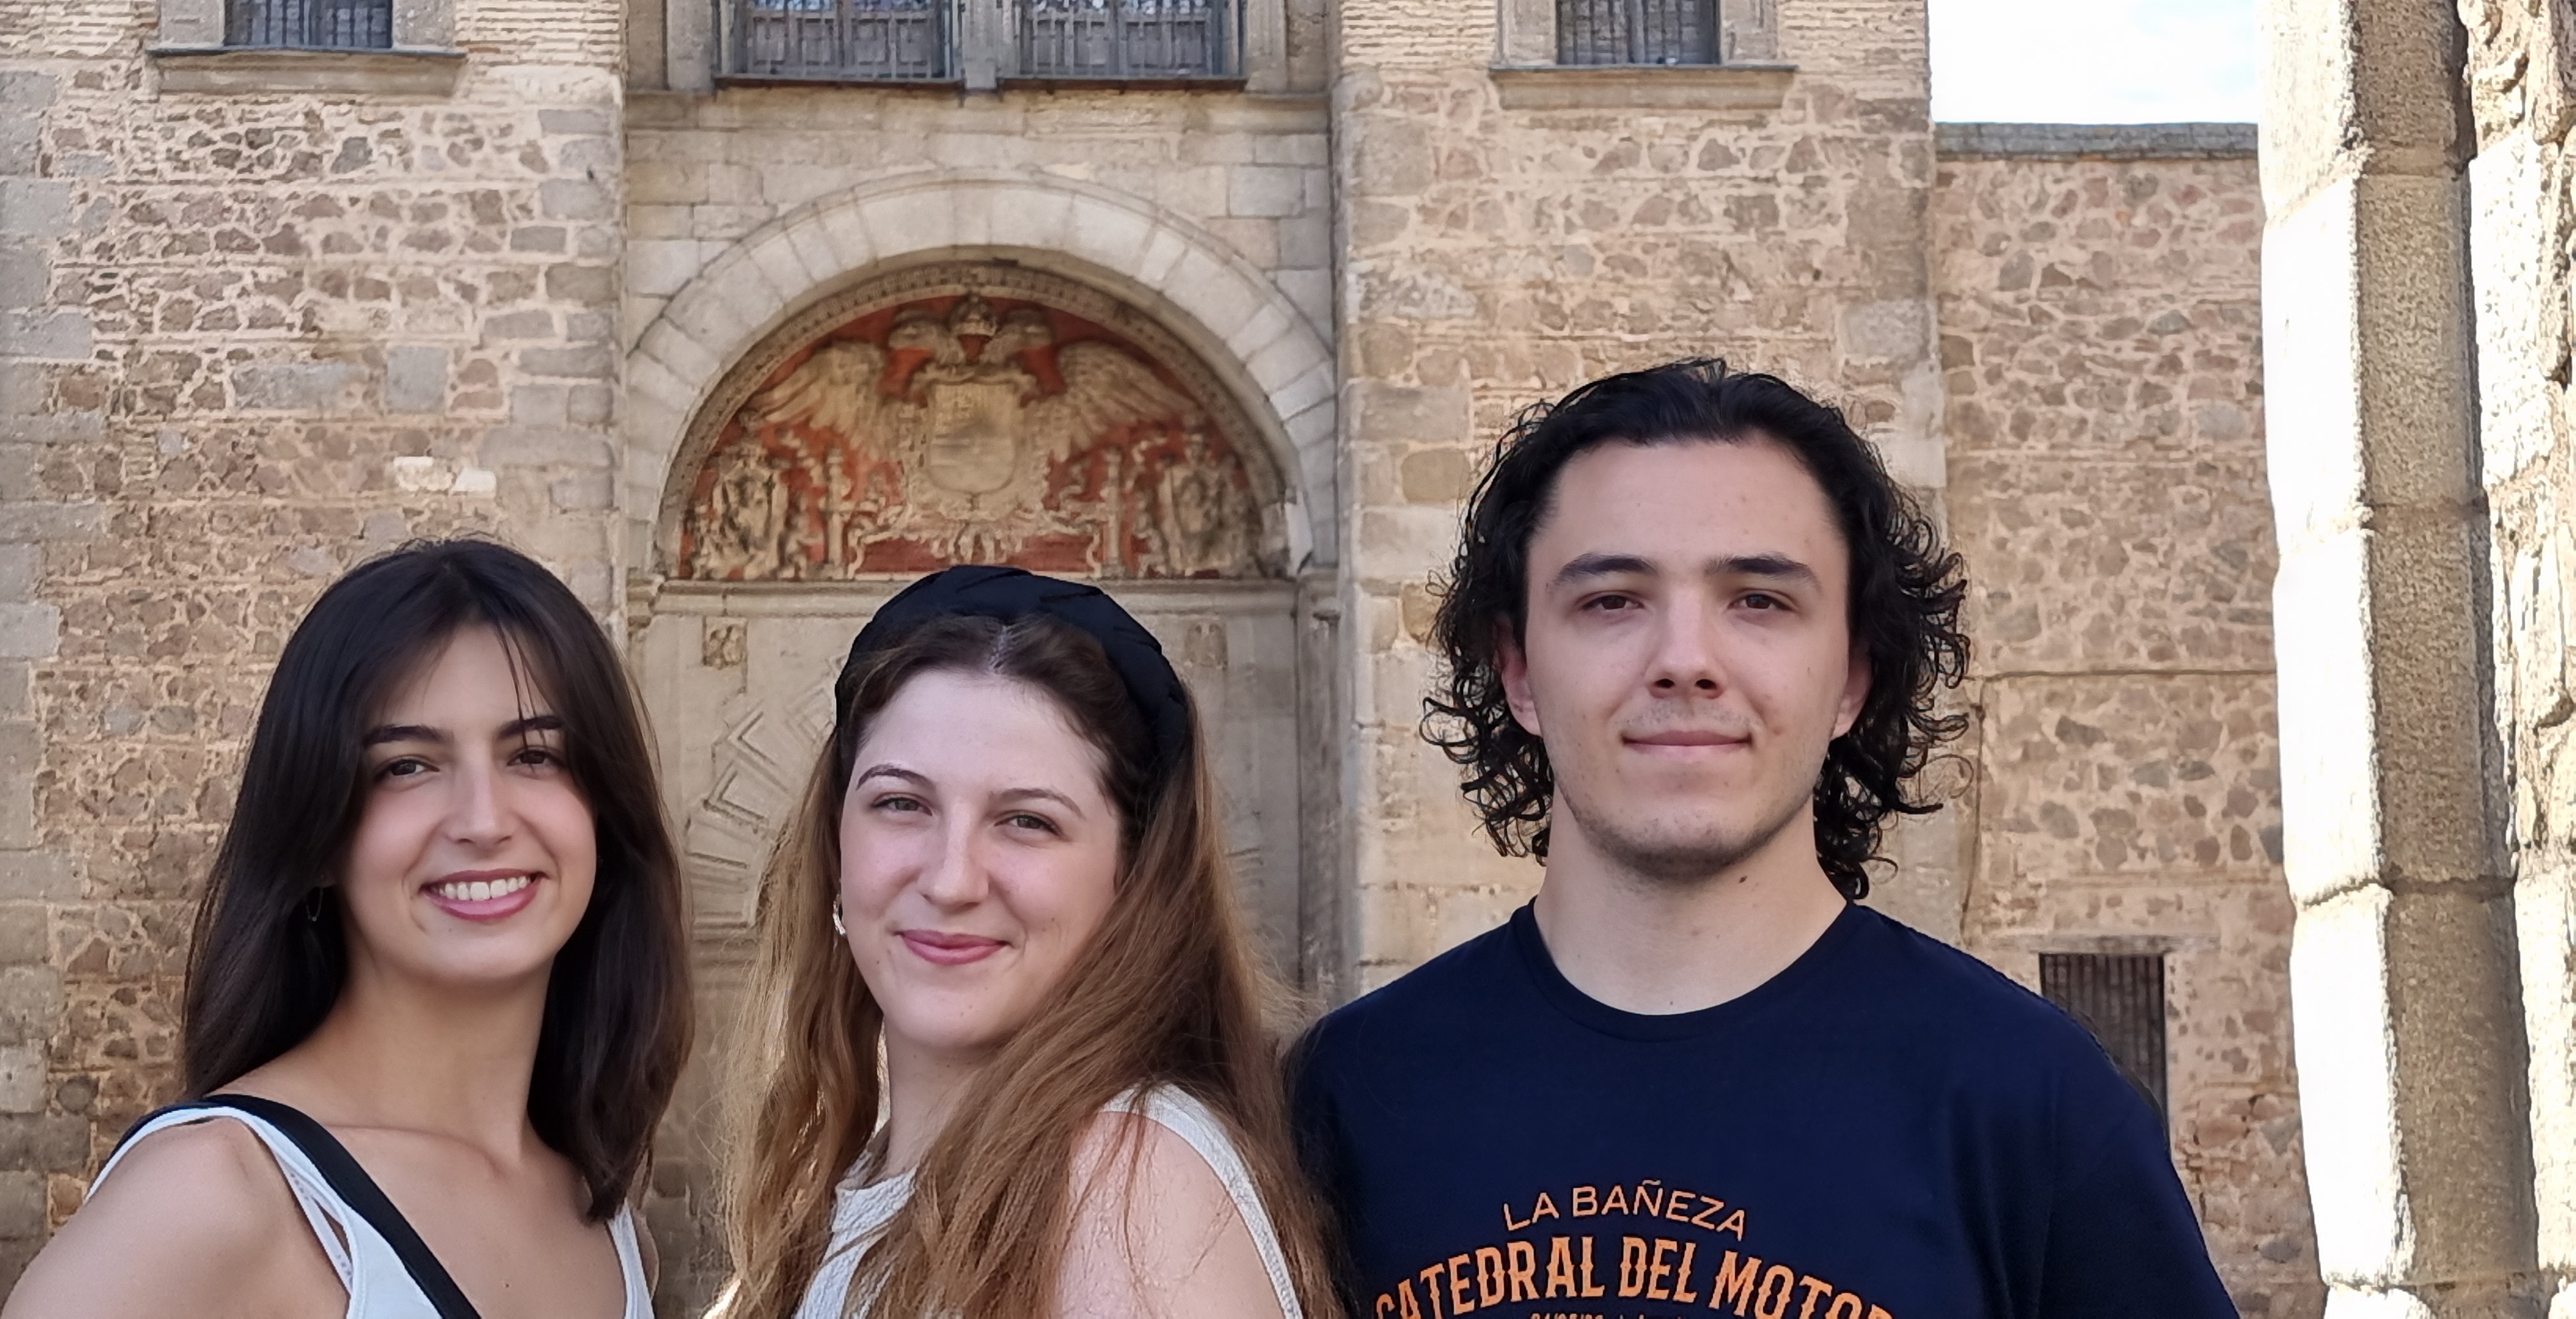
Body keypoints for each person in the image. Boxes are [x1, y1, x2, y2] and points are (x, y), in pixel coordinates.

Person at [1293, 360, 2238, 1318]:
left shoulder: (2030, 1106)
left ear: (1854, 677)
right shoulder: (1343, 1102)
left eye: (1760, 601)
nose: (1686, 661)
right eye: (1613, 600)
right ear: (1520, 671)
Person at [6, 539, 693, 1319]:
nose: (483, 819)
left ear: (603, 811)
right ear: (320, 834)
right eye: (406, 765)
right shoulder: (215, 1194)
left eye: (534, 754)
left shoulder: (610, 1229)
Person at [712, 565, 1335, 1319]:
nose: (950, 879)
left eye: (1027, 820)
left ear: (1133, 876)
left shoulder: (1125, 1188)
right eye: (901, 802)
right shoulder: (851, 1181)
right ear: (834, 845)